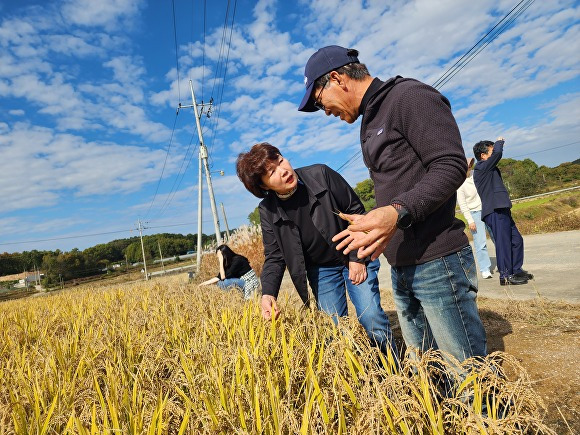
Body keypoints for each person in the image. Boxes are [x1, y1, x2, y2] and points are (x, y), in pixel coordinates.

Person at [298, 45, 487, 363]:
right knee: (429, 374)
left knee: (466, 372)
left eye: (320, 102)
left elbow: (451, 164)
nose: (325, 112)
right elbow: (398, 185)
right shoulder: (369, 120)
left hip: (436, 262)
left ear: (337, 78)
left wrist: (398, 211)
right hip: (402, 266)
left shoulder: (408, 96)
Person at [236, 142, 398, 359]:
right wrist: (268, 294)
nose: (283, 171)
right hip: (322, 270)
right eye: (272, 172)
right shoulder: (268, 210)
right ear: (263, 186)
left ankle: (394, 371)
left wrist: (356, 258)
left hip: (355, 255)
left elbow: (357, 212)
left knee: (371, 318)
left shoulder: (321, 175)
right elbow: (275, 257)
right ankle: (356, 379)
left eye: (281, 160)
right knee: (334, 330)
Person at [472, 138, 533, 286]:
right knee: (504, 243)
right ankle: (506, 276)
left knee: (516, 240)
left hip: (502, 209)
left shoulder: (488, 168)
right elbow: (498, 153)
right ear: (483, 155)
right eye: (490, 151)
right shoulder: (481, 168)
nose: (494, 154)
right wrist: (499, 142)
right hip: (494, 211)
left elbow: (496, 155)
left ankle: (516, 270)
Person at [457, 157, 493, 279]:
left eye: (471, 164)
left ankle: (505, 264)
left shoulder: (476, 175)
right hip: (474, 213)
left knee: (497, 237)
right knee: (480, 242)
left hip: (487, 209)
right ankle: (485, 269)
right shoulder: (460, 184)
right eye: (468, 165)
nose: (470, 167)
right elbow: (462, 205)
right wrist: (470, 220)